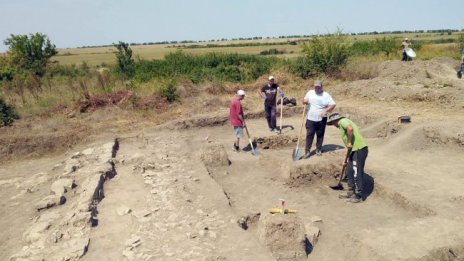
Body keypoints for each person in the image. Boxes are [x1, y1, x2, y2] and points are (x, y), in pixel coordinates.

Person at [327, 112, 368, 203]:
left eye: (332, 123)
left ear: (335, 120)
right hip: (354, 150)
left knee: (356, 172)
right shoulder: (344, 122)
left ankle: (358, 196)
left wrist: (349, 142)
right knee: (349, 170)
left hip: (359, 149)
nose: (333, 125)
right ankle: (351, 191)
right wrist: (349, 158)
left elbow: (350, 129)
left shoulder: (342, 121)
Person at [301, 80, 336, 159]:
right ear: (314, 87)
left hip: (321, 119)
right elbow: (304, 101)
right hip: (310, 118)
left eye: (318, 87)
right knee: (309, 135)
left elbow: (333, 104)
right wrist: (304, 101)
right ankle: (307, 151)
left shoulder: (326, 95)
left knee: (320, 135)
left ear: (321, 87)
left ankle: (318, 149)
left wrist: (326, 110)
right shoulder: (310, 93)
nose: (317, 88)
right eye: (315, 87)